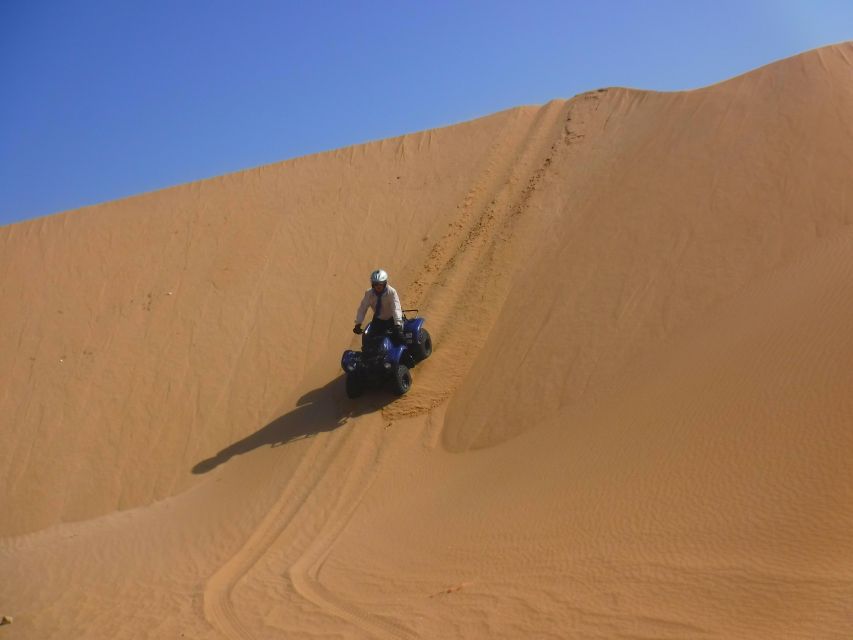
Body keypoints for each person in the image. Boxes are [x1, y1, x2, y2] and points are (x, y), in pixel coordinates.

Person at [353, 269, 403, 342]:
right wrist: (358, 323)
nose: (378, 286)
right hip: (378, 320)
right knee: (369, 340)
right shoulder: (369, 293)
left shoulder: (391, 292)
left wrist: (398, 324)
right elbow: (362, 309)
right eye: (376, 284)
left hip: (392, 319)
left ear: (385, 283)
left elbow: (396, 308)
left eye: (381, 283)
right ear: (372, 284)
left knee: (398, 339)